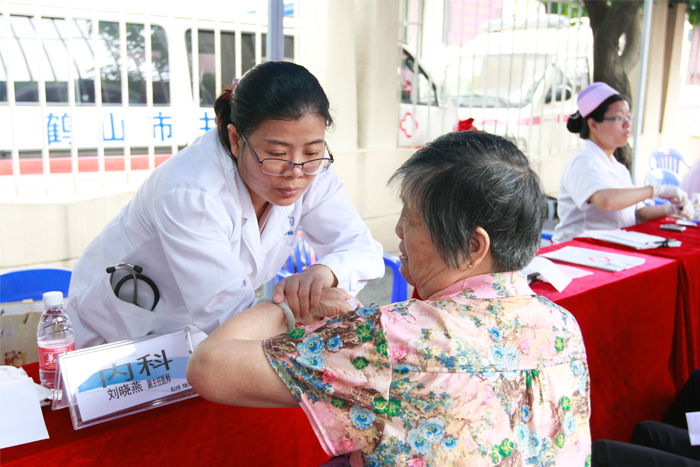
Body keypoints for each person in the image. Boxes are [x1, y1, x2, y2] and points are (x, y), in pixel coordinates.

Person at [187, 131, 592, 466]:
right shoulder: (563, 325)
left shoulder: (392, 338)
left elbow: (209, 366)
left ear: (472, 246)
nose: (398, 229)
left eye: (412, 218)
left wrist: (287, 306)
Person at [67, 61, 384, 349]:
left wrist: (325, 273)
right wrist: (308, 309)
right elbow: (229, 315)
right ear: (236, 140)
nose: (296, 172)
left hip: (202, 336)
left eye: (312, 152)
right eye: (276, 154)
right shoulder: (192, 191)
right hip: (118, 334)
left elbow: (361, 247)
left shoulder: (313, 171)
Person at [553, 82, 693, 243]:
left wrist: (670, 209)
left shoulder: (618, 168)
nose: (627, 125)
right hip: (578, 249)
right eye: (619, 118)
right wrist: (656, 190)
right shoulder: (582, 162)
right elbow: (606, 201)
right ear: (594, 125)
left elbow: (638, 214)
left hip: (611, 248)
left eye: (628, 117)